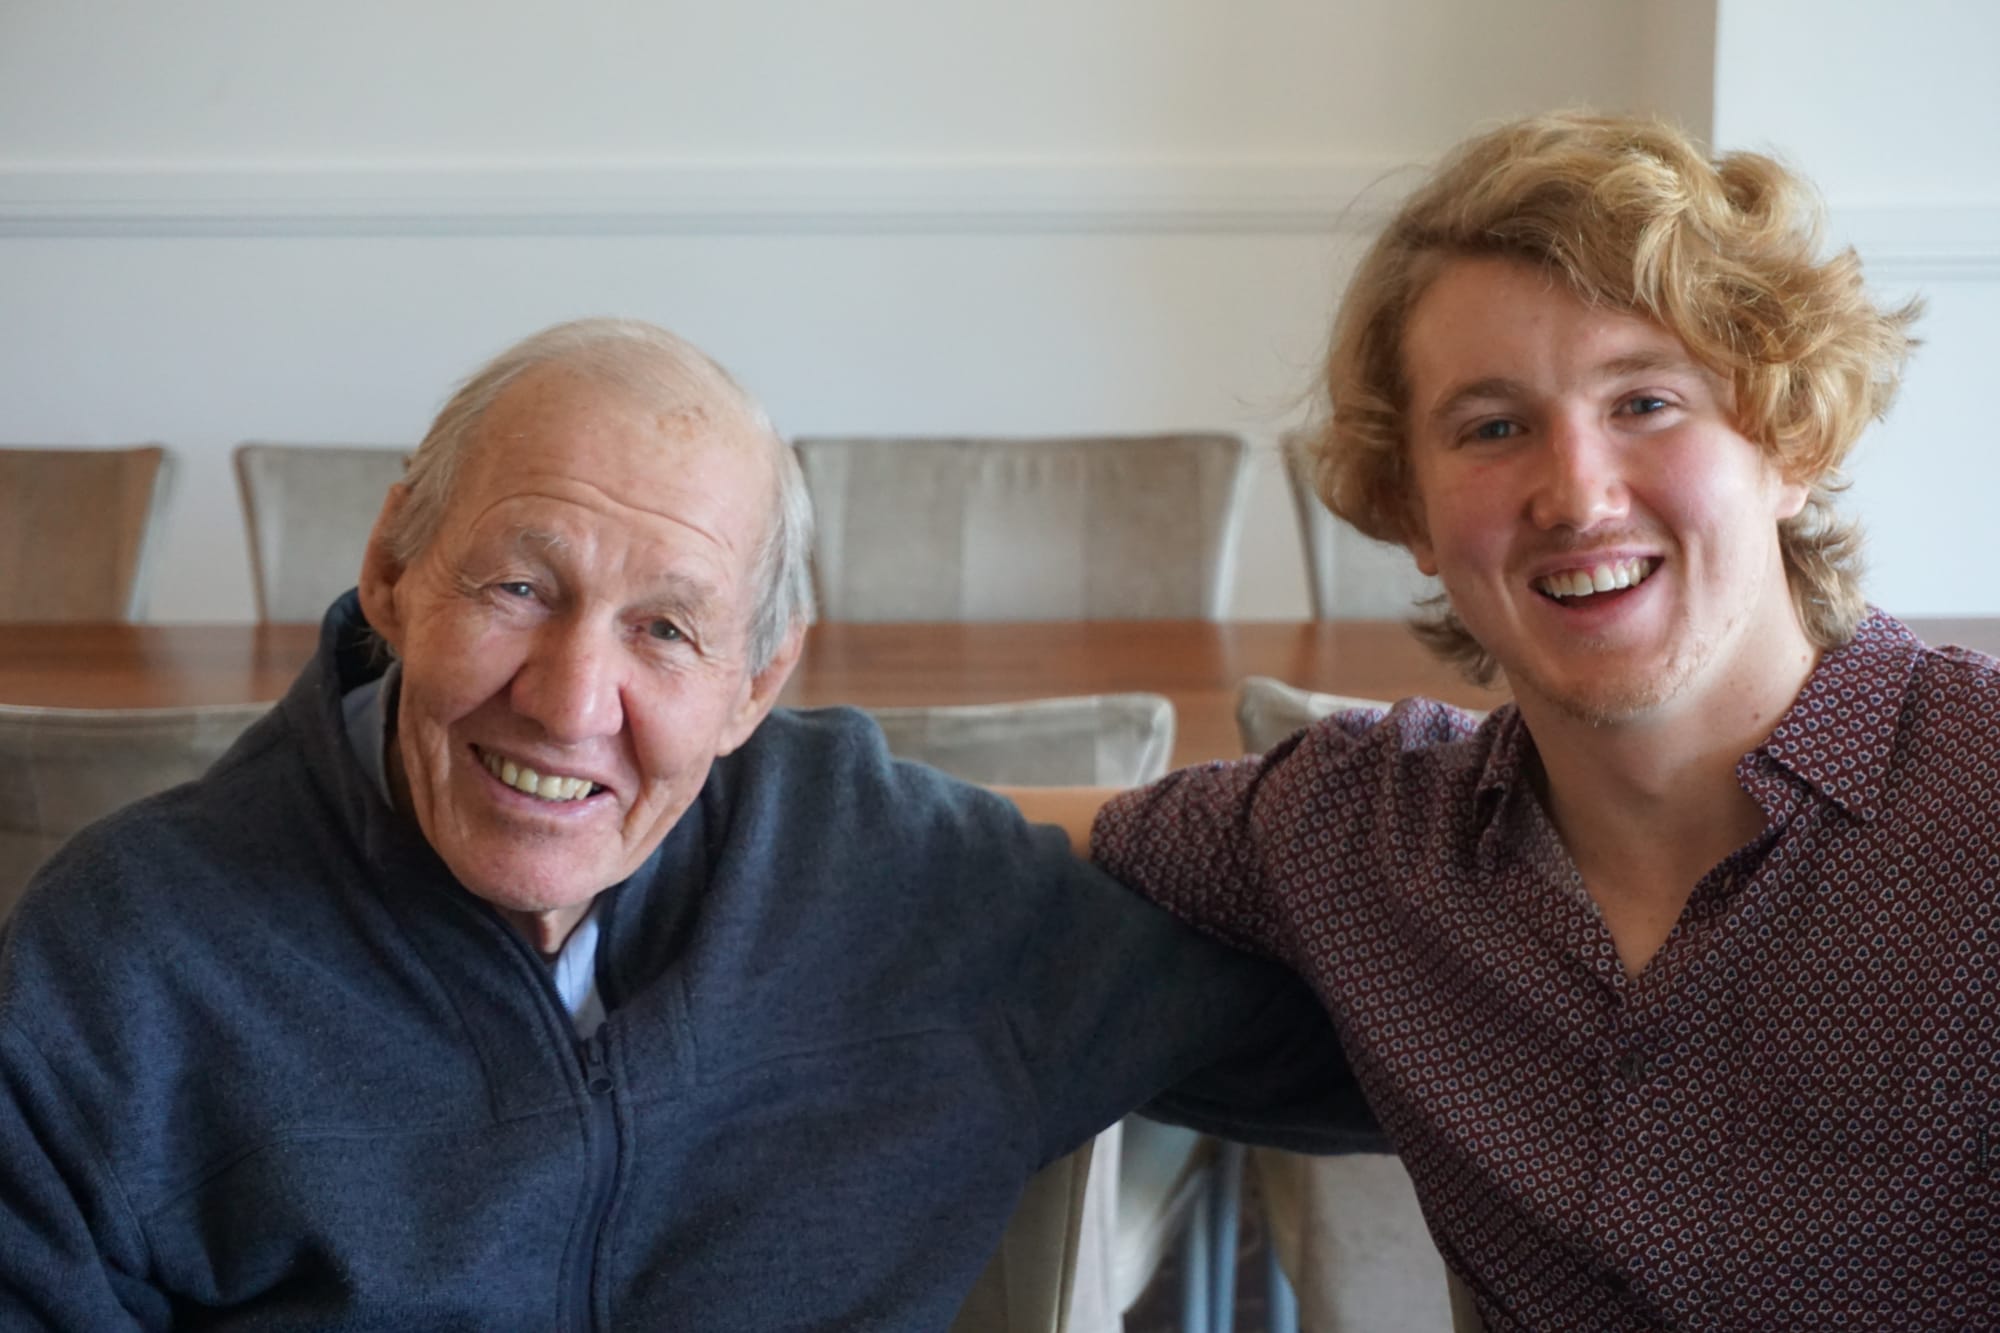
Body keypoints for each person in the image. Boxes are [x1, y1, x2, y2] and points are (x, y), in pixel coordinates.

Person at [0, 318, 1362, 1329]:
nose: (571, 700)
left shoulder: (897, 886)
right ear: (394, 568)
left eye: (665, 628)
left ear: (756, 682)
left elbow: (1424, 1013)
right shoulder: (120, 968)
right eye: (520, 586)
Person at [1021, 112, 1995, 1330]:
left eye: (1643, 400)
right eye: (1491, 427)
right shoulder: (1360, 831)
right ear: (1411, 520)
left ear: (1785, 440)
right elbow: (968, 831)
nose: (1575, 492)